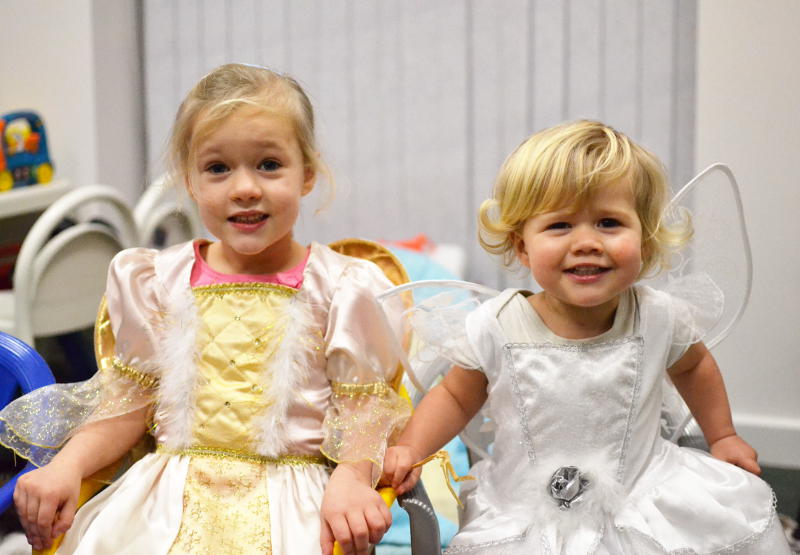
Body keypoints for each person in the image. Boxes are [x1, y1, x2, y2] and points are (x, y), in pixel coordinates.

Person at [1, 63, 410, 555]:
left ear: (308, 174)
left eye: (269, 164)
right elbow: (125, 408)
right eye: (218, 168)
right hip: (163, 502)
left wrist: (352, 475)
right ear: (190, 182)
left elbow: (363, 409)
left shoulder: (341, 286)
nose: (244, 188)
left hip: (292, 504)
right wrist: (65, 465)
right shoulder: (157, 281)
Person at [383, 120, 791, 553]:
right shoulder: (497, 325)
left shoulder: (656, 317)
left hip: (641, 498)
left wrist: (723, 434)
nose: (586, 242)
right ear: (522, 245)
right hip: (524, 514)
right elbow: (456, 397)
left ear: (646, 240)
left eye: (608, 223)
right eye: (560, 226)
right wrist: (411, 446)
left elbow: (695, 366)